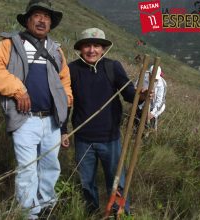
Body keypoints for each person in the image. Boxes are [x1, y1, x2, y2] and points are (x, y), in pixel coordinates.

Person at [0, 0, 72, 219]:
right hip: (24, 119)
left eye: (47, 17)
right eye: (37, 15)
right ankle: (28, 213)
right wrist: (18, 90)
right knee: (28, 168)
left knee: (51, 166)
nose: (42, 20)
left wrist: (64, 109)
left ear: (51, 23)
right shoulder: (10, 44)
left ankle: (46, 204)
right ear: (28, 19)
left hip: (52, 120)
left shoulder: (56, 50)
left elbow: (64, 82)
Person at [61, 28, 147, 215]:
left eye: (96, 45)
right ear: (80, 48)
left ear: (103, 48)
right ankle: (91, 213)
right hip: (83, 139)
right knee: (86, 183)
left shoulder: (112, 66)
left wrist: (142, 96)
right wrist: (63, 129)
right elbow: (67, 103)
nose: (92, 50)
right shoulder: (72, 70)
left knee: (117, 182)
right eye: (87, 45)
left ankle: (119, 214)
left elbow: (129, 94)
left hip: (110, 138)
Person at [135, 65, 167, 130]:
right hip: (142, 103)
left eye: (156, 79)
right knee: (137, 121)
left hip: (155, 107)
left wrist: (152, 113)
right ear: (149, 74)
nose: (154, 80)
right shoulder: (143, 77)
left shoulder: (162, 84)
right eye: (152, 77)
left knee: (151, 126)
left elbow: (160, 101)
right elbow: (135, 87)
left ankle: (151, 132)